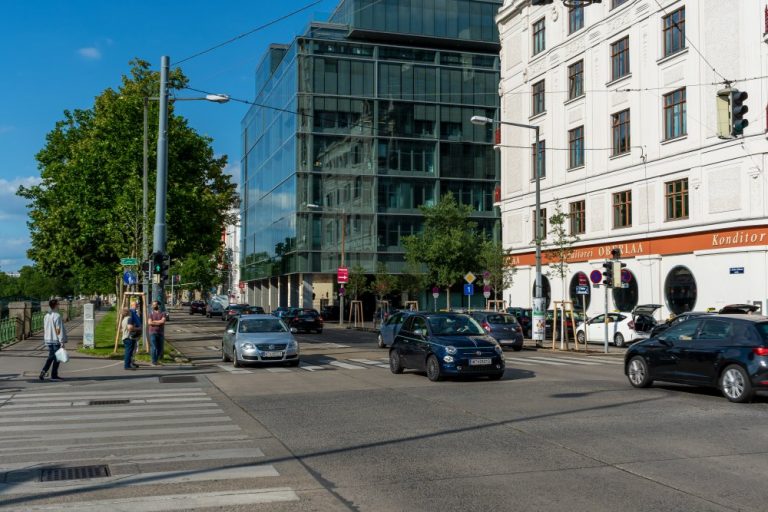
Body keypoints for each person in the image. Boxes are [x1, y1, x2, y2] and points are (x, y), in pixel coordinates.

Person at [40, 299, 67, 381]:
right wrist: (61, 340)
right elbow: (58, 329)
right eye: (58, 304)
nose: (59, 305)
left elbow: (45, 328)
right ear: (55, 305)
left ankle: (46, 372)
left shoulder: (47, 315)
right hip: (55, 339)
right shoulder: (57, 316)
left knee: (52, 357)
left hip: (48, 339)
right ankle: (52, 374)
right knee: (55, 358)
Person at [148, 300, 166, 366]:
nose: (153, 306)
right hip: (152, 332)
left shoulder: (163, 313)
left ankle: (156, 360)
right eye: (153, 305)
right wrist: (159, 322)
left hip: (160, 333)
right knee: (154, 347)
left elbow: (163, 322)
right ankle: (153, 361)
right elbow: (149, 322)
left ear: (158, 305)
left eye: (155, 305)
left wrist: (154, 321)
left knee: (160, 348)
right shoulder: (151, 313)